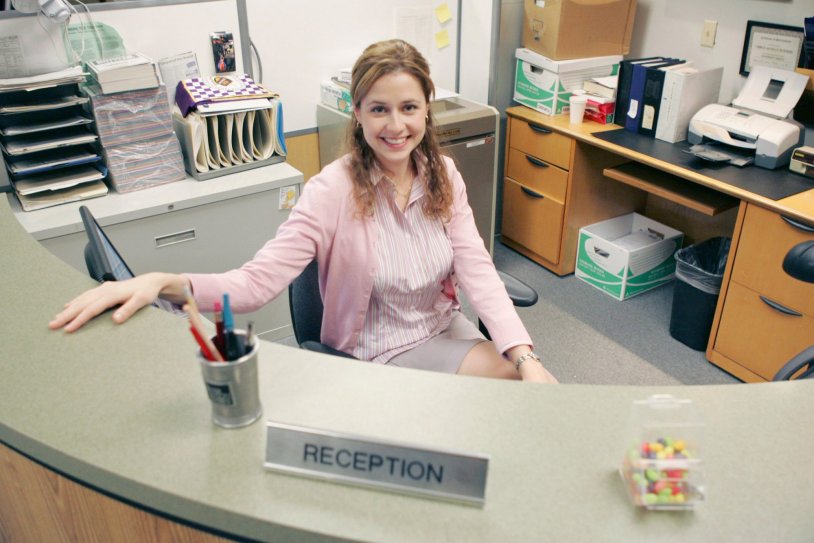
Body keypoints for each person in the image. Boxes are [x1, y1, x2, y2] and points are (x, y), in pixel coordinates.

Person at [49, 39, 558, 384]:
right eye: (378, 109)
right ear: (356, 113)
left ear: (427, 108)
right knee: (516, 392)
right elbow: (252, 286)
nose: (396, 125)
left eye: (408, 107)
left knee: (531, 383)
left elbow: (478, 273)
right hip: (379, 353)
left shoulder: (444, 175)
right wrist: (162, 281)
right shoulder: (331, 191)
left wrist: (526, 353)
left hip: (444, 327)